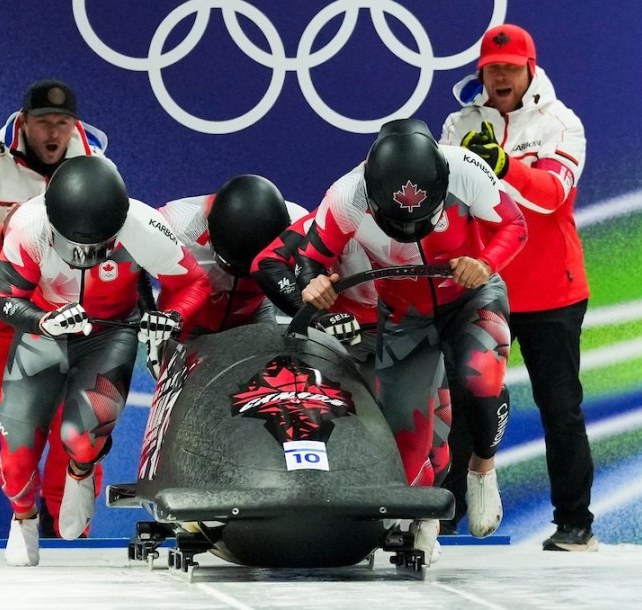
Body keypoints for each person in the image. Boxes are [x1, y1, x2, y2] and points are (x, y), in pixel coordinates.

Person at [296, 118, 527, 562]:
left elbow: (514, 227)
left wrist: (484, 262)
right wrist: (315, 286)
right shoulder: (346, 196)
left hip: (471, 294)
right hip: (406, 314)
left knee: (480, 376)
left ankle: (482, 467)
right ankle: (423, 519)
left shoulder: (466, 169)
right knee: (407, 429)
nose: (410, 230)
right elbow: (310, 261)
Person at [0, 156, 210, 566]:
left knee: (80, 437)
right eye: (75, 244)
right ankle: (23, 519)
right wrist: (44, 320)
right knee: (18, 456)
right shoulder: (28, 225)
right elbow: (4, 302)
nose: (86, 254)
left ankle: (81, 469)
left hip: (110, 333)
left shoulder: (143, 228)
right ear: (52, 221)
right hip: (44, 331)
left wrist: (172, 318)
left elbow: (193, 283)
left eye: (99, 246)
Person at [440, 23, 596, 551]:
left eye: (509, 67)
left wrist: (504, 166)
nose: (499, 76)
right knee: (463, 401)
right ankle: (443, 519)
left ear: (530, 70)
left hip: (552, 291)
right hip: (483, 286)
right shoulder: (458, 124)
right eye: (491, 68)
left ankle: (575, 525)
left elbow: (553, 194)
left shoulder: (561, 123)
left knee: (559, 407)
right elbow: (445, 205)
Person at [0, 79, 109, 538]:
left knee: (75, 429)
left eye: (63, 122)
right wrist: (10, 231)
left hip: (61, 320)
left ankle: (65, 533)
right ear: (24, 122)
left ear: (74, 125)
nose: (54, 132)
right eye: (43, 121)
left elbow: (116, 241)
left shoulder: (95, 168)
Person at [252, 209, 452, 486]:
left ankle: (420, 518)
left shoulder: (441, 221)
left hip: (411, 331)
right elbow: (267, 263)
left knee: (436, 452)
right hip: (350, 336)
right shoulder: (338, 214)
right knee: (363, 435)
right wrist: (317, 314)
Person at [156, 175, 306, 340]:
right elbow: (134, 263)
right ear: (210, 235)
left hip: (254, 314)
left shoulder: (301, 229)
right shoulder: (173, 226)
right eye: (230, 267)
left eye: (255, 270)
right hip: (185, 318)